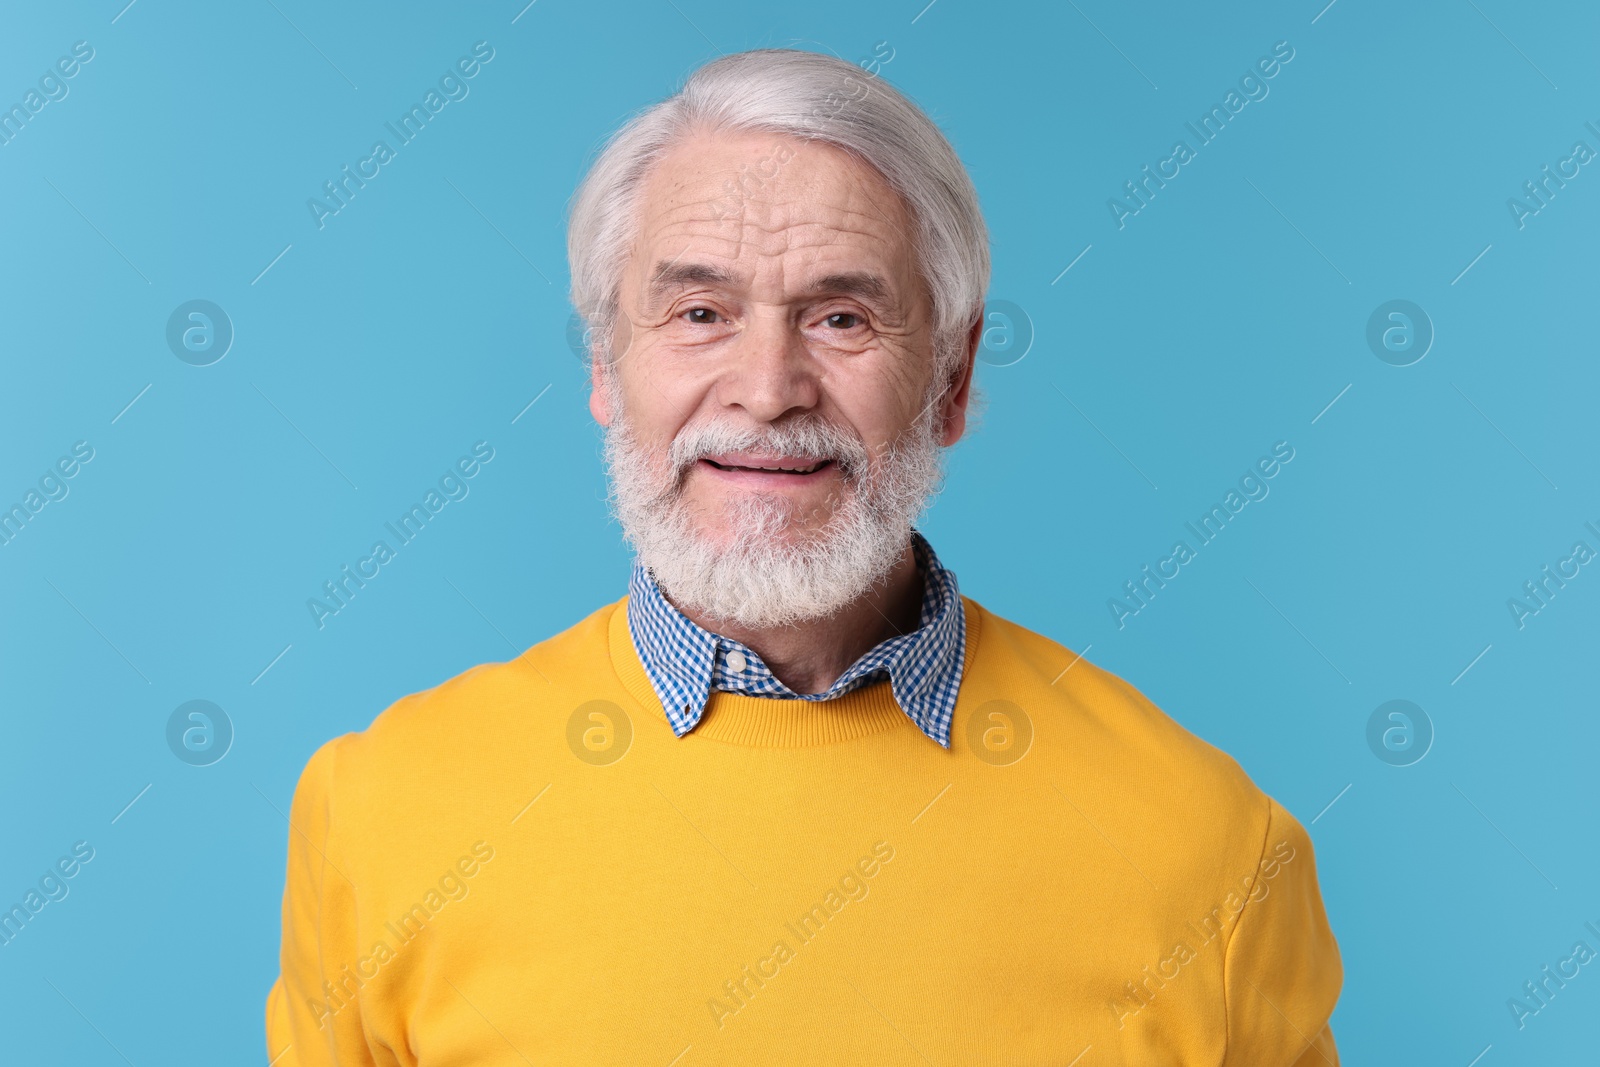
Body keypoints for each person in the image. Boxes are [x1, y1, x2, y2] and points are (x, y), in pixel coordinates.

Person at [266, 47, 1342, 1065]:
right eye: (699, 311)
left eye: (839, 316)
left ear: (952, 380)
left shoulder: (1207, 849)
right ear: (606, 364)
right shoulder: (381, 814)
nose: (767, 386)